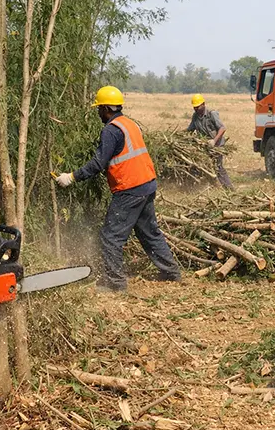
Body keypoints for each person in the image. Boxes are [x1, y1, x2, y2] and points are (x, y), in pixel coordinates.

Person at [54, 86, 181, 292]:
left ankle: (115, 283)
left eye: (99, 108)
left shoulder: (111, 130)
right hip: (147, 183)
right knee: (150, 232)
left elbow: (98, 163)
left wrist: (72, 177)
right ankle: (171, 272)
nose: (98, 112)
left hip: (130, 188)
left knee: (111, 236)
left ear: (106, 108)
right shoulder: (129, 124)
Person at [186, 93, 233, 189]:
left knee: (218, 167)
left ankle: (229, 189)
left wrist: (214, 141)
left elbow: (222, 128)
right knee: (202, 165)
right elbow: (190, 130)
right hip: (205, 146)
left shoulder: (212, 114)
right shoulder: (195, 116)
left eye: (198, 107)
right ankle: (210, 186)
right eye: (194, 107)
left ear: (203, 104)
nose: (196, 109)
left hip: (217, 146)